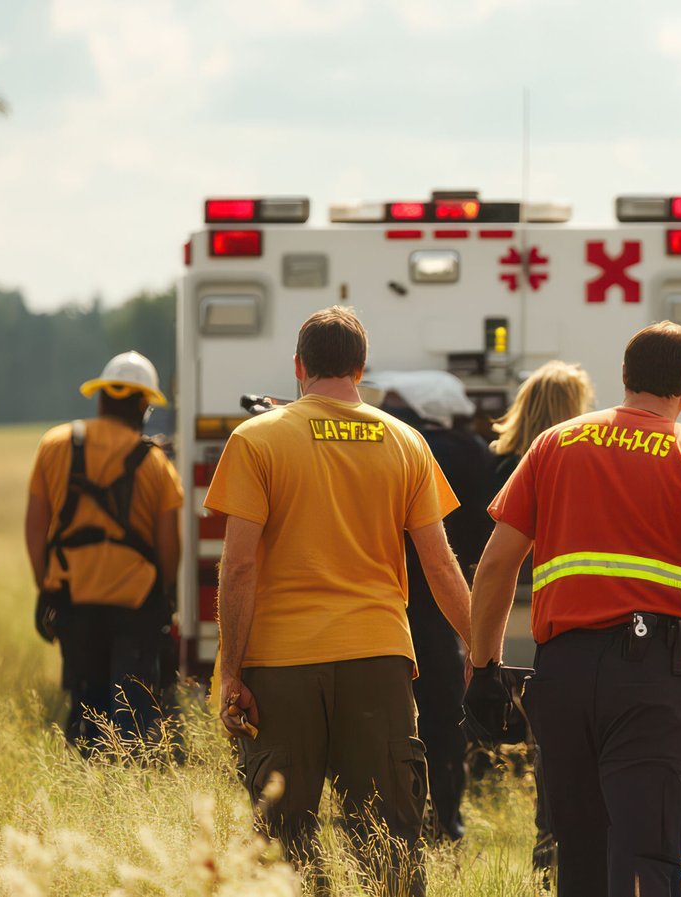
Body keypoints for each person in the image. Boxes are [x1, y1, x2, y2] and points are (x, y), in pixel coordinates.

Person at [464, 321, 681, 897]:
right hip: (650, 681)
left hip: (562, 675)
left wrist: (484, 668)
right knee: (646, 854)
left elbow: (495, 566)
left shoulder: (554, 444)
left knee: (579, 852)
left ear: (625, 375)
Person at [205, 306, 472, 890]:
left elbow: (240, 566)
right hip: (378, 658)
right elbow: (439, 563)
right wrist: (482, 649)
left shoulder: (256, 439)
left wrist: (232, 673)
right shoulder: (406, 441)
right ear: (361, 368)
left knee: (284, 841)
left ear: (298, 366)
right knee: (389, 839)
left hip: (281, 665)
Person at [25, 351, 182, 750]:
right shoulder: (156, 464)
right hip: (136, 605)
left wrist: (46, 586)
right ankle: (130, 773)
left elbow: (35, 526)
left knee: (85, 708)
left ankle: (86, 769)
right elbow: (169, 546)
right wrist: (163, 595)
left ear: (100, 399)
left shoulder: (54, 444)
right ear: (144, 406)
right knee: (134, 715)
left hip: (73, 599)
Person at [482, 358, 595, 874]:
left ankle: (546, 851)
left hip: (505, 610)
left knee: (544, 745)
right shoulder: (575, 460)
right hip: (560, 613)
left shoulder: (498, 463)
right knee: (564, 749)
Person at [377, 370, 495, 843]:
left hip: (383, 608)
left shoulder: (389, 443)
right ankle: (445, 822)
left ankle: (384, 826)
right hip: (441, 605)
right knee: (443, 720)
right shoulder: (472, 453)